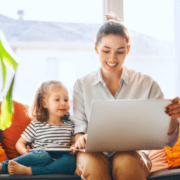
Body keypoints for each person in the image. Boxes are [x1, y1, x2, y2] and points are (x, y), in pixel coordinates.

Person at [71, 12, 180, 180]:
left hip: (132, 154)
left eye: (120, 52)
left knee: (126, 161)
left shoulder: (146, 84)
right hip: (92, 153)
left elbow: (166, 137)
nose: (112, 58)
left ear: (128, 50)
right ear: (96, 48)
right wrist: (82, 139)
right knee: (93, 164)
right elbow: (78, 131)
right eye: (106, 51)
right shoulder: (81, 85)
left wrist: (173, 117)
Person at [0, 80, 76, 175]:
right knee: (42, 155)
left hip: (59, 163)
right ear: (45, 104)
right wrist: (24, 152)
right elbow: (20, 143)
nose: (63, 103)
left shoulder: (70, 124)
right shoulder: (36, 124)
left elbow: (74, 142)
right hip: (40, 159)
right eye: (57, 99)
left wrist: (73, 147)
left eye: (66, 99)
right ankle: (3, 166)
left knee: (71, 160)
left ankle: (29, 171)